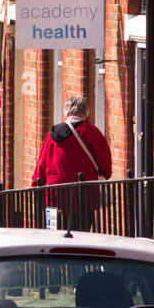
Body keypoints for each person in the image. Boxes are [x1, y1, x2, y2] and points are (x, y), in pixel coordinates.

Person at [33, 95, 112, 229]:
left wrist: (36, 184)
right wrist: (105, 174)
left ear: (66, 112)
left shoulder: (51, 135)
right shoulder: (92, 132)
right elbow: (105, 163)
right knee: (80, 237)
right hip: (84, 196)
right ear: (85, 112)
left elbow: (41, 164)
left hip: (53, 195)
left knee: (52, 236)